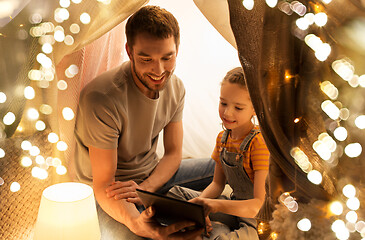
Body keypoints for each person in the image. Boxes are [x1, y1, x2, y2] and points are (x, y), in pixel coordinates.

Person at [73, 5, 215, 240]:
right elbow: (103, 184)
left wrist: (146, 189)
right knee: (144, 234)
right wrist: (136, 223)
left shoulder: (176, 87)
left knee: (227, 167)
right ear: (129, 51)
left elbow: (173, 154)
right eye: (146, 59)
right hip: (112, 194)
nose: (158, 70)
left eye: (167, 57)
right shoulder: (102, 98)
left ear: (177, 50)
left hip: (150, 180)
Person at [168, 67, 270, 239]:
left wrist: (213, 206)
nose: (227, 112)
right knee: (175, 194)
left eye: (238, 107)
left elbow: (258, 206)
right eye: (223, 103)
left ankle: (212, 231)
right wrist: (199, 208)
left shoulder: (259, 143)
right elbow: (217, 184)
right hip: (233, 207)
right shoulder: (222, 139)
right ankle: (207, 227)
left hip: (256, 221)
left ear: (255, 109)